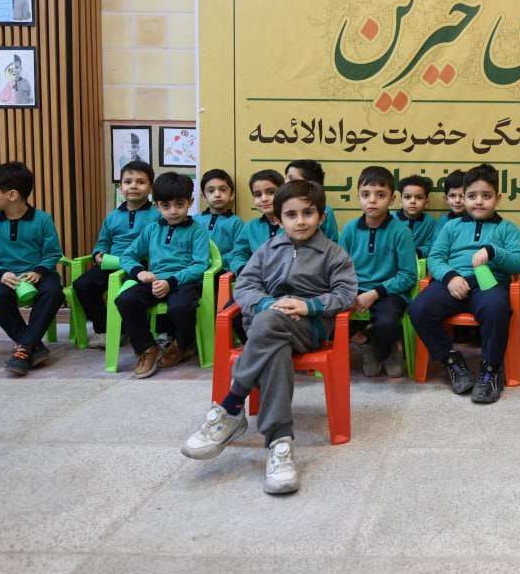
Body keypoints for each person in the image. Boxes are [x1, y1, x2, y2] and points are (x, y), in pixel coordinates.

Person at [181, 180, 357, 495]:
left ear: (321, 216)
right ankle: (279, 443)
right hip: (267, 325)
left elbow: (346, 294)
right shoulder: (266, 250)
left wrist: (308, 305)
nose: (300, 221)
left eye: (308, 213)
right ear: (278, 218)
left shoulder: (334, 253)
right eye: (291, 214)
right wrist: (267, 305)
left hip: (308, 327)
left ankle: (232, 404)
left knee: (268, 327)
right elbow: (245, 287)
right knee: (274, 347)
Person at [409, 163, 520, 403]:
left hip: (488, 284)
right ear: (463, 198)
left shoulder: (507, 229)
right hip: (452, 282)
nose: (479, 202)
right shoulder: (451, 226)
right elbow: (435, 257)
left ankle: (491, 369)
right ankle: (452, 361)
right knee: (418, 309)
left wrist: (493, 251)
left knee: (496, 308)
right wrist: (450, 277)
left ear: (498, 198)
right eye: (472, 196)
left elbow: (518, 262)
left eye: (486, 196)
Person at [115, 172, 211, 377]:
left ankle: (183, 344)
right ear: (157, 205)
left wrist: (171, 281)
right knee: (125, 299)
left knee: (181, 307)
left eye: (179, 204)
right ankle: (147, 347)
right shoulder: (151, 230)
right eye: (166, 206)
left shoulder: (198, 231)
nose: (173, 211)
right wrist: (139, 272)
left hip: (184, 282)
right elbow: (127, 255)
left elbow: (200, 265)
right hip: (154, 280)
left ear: (190, 202)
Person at [0, 161, 65, 376]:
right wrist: (1, 273)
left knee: (53, 293)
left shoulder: (43, 220)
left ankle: (24, 347)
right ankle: (32, 345)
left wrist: (39, 271)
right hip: (4, 277)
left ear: (12, 195)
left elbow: (53, 253)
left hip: (39, 275)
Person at [339, 166, 418, 378]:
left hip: (388, 292)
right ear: (358, 197)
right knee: (324, 313)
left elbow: (408, 275)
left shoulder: (401, 231)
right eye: (366, 194)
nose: (372, 200)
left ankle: (386, 349)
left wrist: (375, 293)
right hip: (355, 290)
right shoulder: (349, 230)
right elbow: (339, 268)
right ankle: (365, 342)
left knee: (387, 323)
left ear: (392, 199)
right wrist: (349, 291)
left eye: (380, 195)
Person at [72, 160, 160, 350]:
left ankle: (134, 328)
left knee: (131, 295)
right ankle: (104, 330)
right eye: (128, 182)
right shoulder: (112, 216)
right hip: (112, 263)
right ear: (121, 187)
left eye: (140, 182)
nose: (133, 186)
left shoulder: (157, 215)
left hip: (141, 265)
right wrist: (98, 254)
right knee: (83, 284)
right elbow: (103, 241)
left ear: (150, 187)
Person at [228, 169, 286, 276]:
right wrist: (243, 270)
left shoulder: (293, 225)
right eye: (258, 195)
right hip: (256, 279)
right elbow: (238, 255)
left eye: (271, 192)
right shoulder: (250, 227)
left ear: (283, 193)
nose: (264, 199)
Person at [195, 168, 243, 259]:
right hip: (198, 264)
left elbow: (239, 251)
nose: (217, 194)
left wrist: (219, 262)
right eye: (211, 191)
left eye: (223, 190)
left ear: (231, 195)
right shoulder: (195, 220)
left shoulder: (236, 222)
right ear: (204, 197)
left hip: (225, 266)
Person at [285, 159, 339, 241]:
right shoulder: (281, 207)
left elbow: (332, 241)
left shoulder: (326, 211)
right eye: (285, 178)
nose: (286, 182)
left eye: (291, 179)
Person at [395, 174, 438, 258]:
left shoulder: (429, 222)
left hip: (418, 260)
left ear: (426, 203)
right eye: (407, 197)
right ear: (401, 201)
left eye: (419, 197)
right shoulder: (391, 220)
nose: (413, 201)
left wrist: (417, 252)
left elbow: (430, 245)